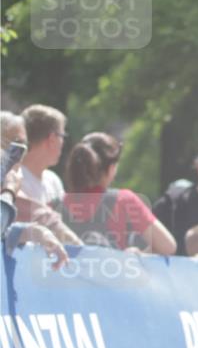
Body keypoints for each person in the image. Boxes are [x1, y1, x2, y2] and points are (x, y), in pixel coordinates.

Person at [61, 133, 176, 255]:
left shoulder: (56, 203)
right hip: (111, 271)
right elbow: (168, 246)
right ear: (111, 168)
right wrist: (139, 255)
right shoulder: (124, 200)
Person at [1, 111, 82, 247]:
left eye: (24, 146)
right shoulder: (12, 182)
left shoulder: (52, 180)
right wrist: (9, 191)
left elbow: (6, 232)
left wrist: (36, 232)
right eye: (16, 145)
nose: (21, 153)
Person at [19, 104, 67, 207]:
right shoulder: (13, 182)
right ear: (52, 139)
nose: (63, 142)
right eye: (62, 136)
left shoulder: (53, 180)